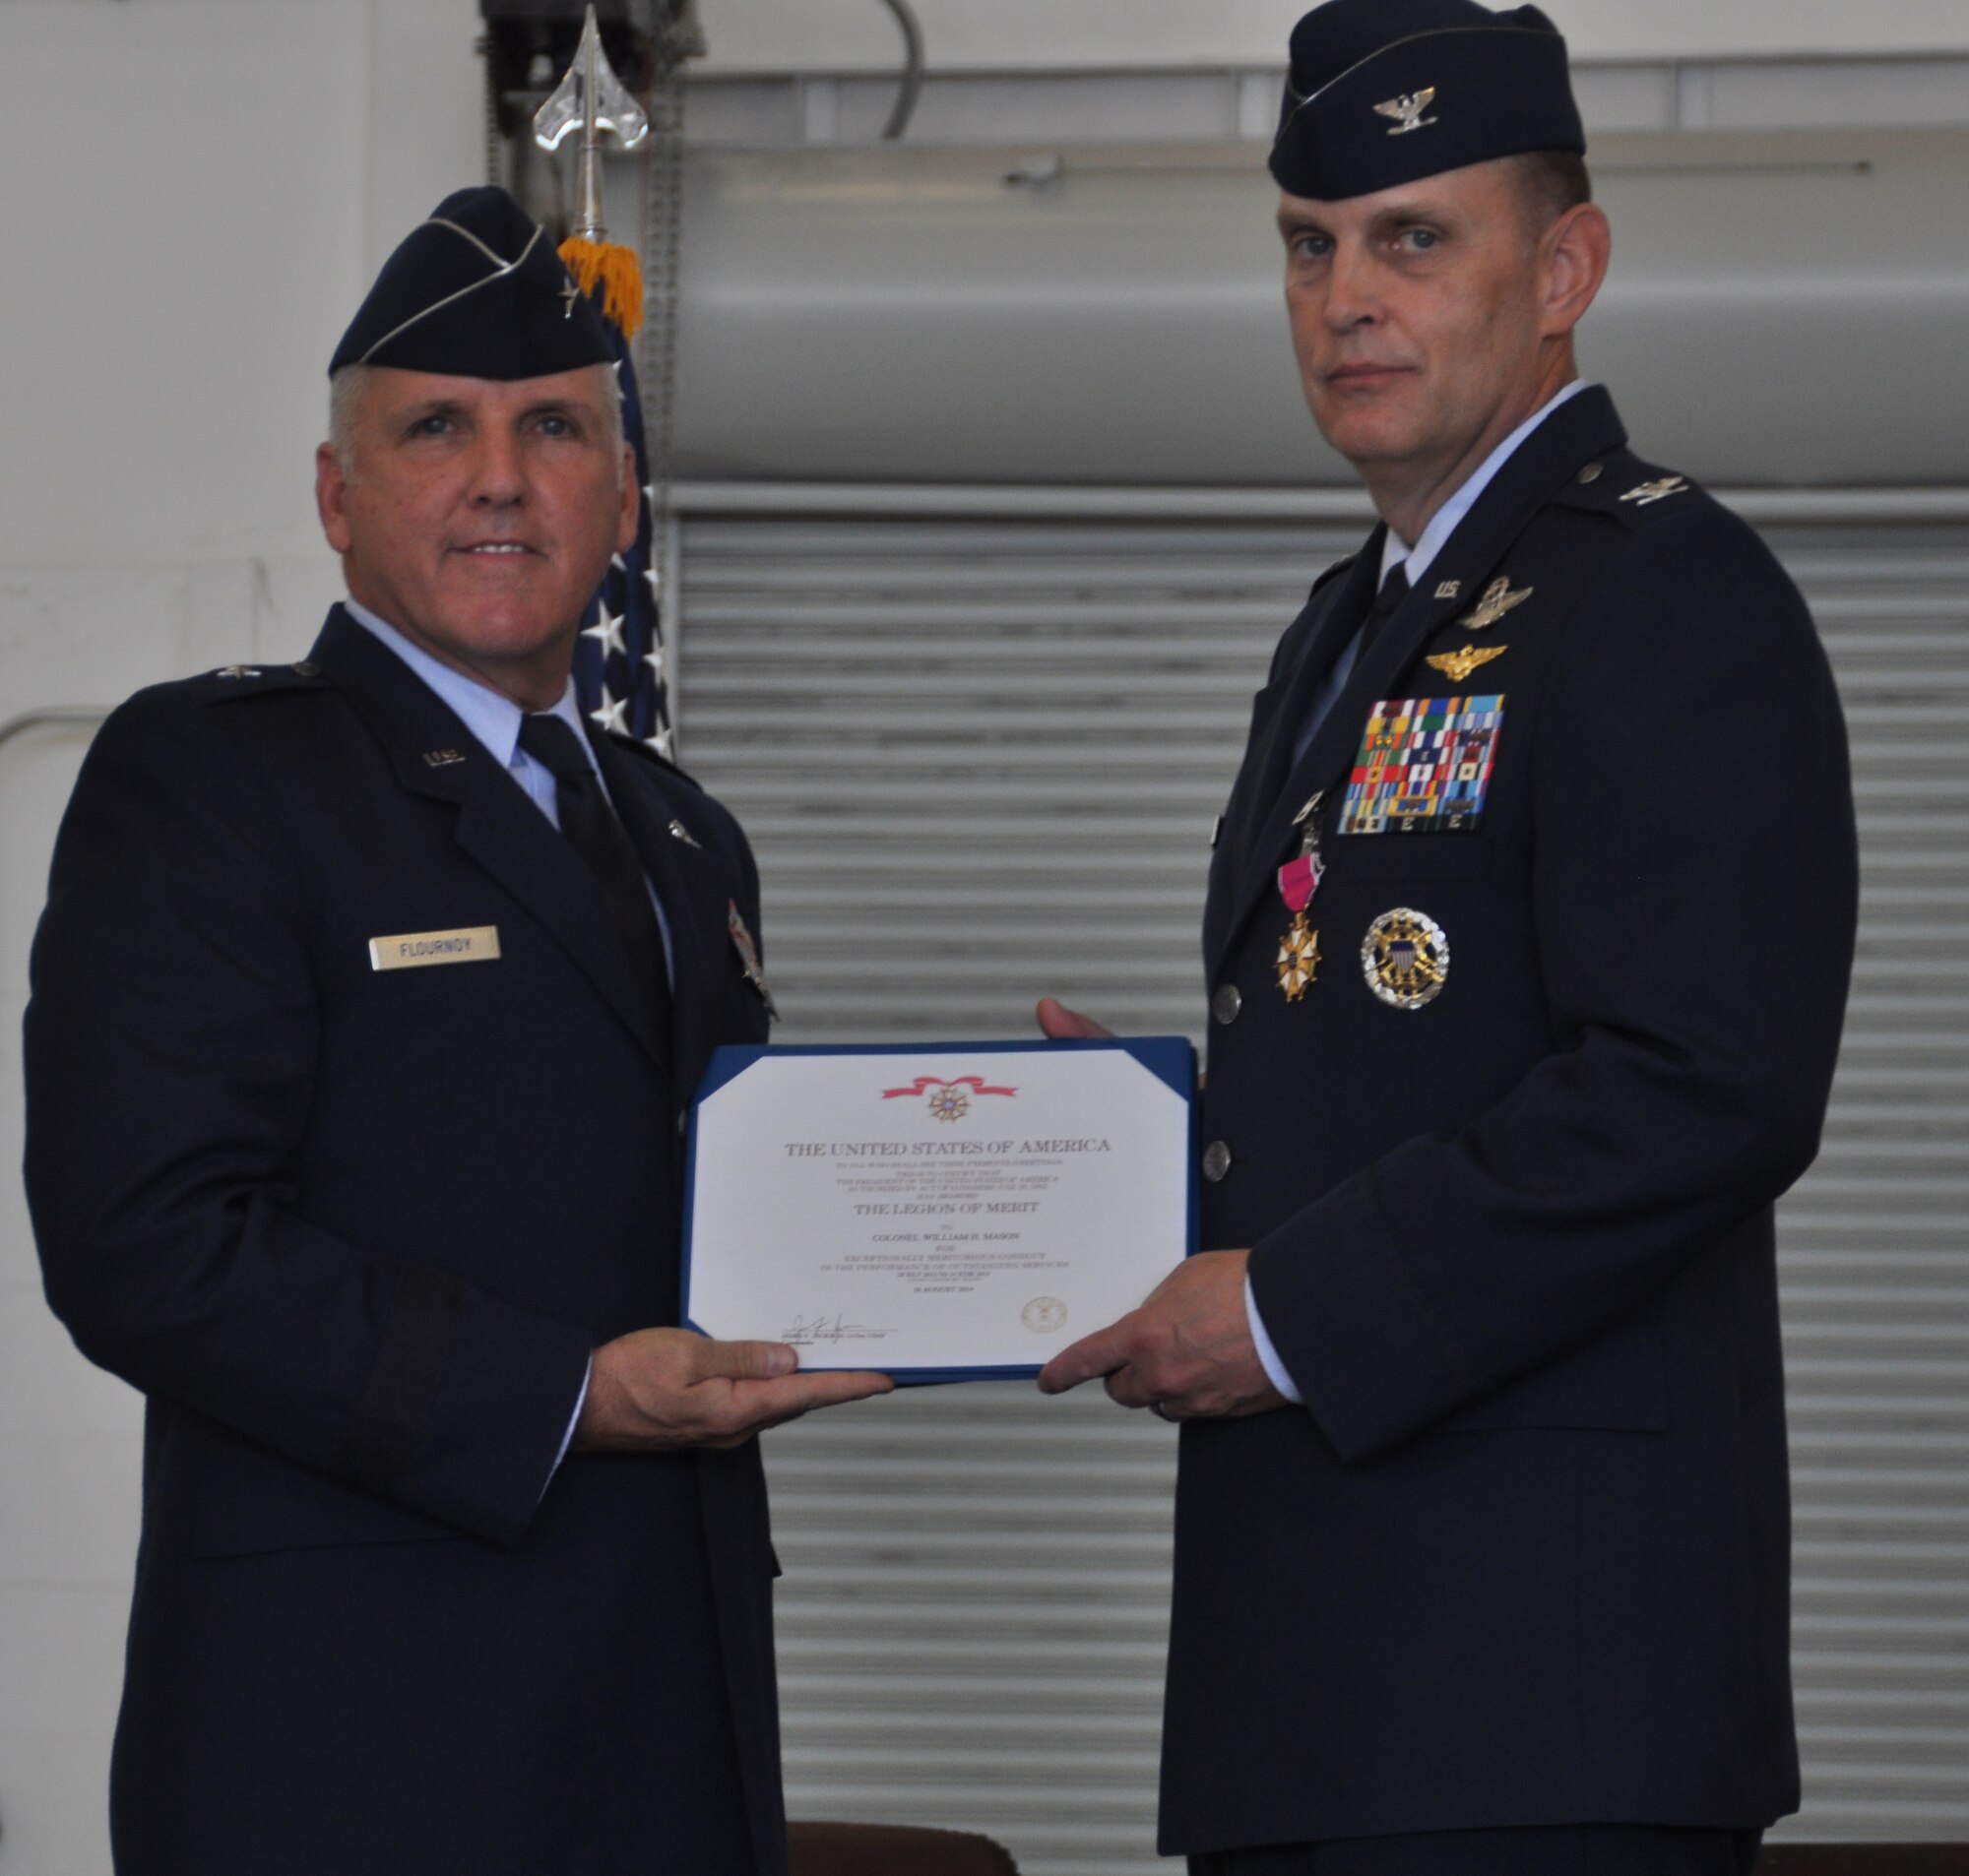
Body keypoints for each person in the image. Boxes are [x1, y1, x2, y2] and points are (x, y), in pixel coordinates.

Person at [1035, 4, 1858, 1872]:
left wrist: (1285, 1306)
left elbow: (1703, 1086)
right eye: (1310, 245)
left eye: (1415, 237)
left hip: (1541, 1701)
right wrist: (1126, 1163)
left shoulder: (1662, 587)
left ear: (1563, 267)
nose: (1347, 297)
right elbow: (1394, 1061)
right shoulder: (1350, 619)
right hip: (1324, 1685)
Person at [22, 186, 890, 1875]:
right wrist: (561, 1393)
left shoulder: (682, 834)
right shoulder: (217, 784)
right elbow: (143, 1242)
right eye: (438, 429)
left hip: (666, 1726)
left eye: (555, 426)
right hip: (351, 1749)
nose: (502, 476)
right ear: (338, 497)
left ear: (622, 496)